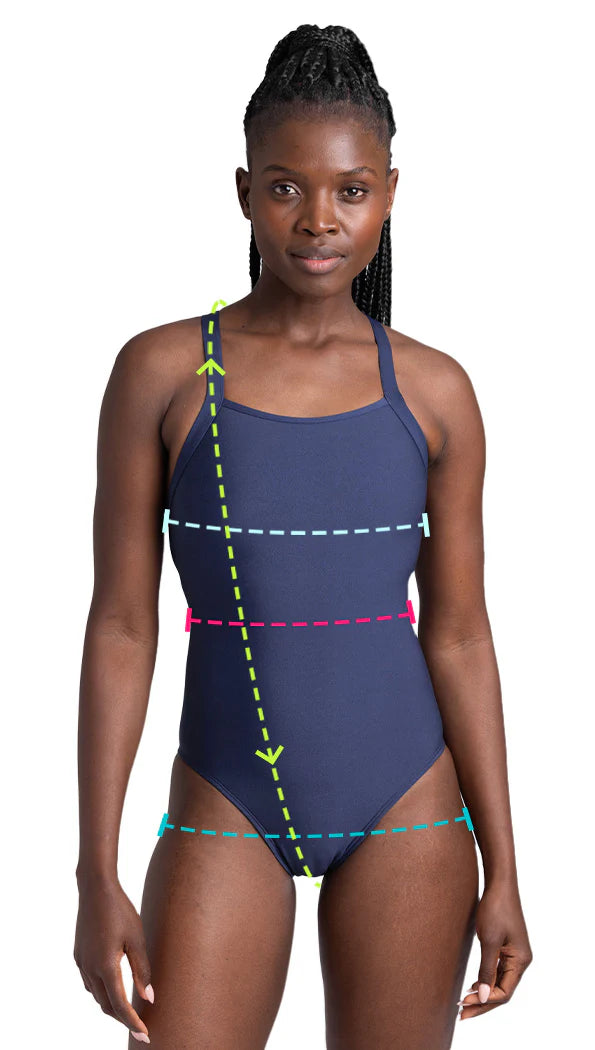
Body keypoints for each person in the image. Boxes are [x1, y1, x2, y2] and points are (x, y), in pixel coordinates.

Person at [73, 22, 532, 1049]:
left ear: (389, 193)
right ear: (244, 192)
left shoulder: (434, 393)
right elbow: (121, 626)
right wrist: (96, 873)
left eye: (350, 190)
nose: (318, 219)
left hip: (408, 807)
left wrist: (505, 869)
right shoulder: (161, 374)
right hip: (222, 802)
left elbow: (459, 633)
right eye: (286, 187)